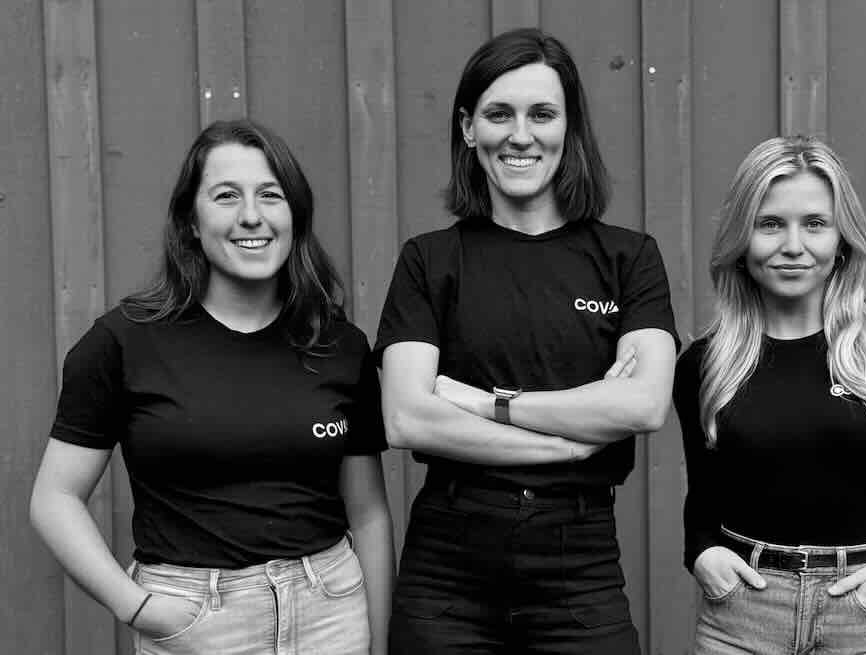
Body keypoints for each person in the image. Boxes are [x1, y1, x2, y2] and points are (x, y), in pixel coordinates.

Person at [30, 119, 394, 655]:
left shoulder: (338, 344)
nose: (252, 216)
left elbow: (368, 515)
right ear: (191, 223)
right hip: (198, 622)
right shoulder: (124, 342)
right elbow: (54, 498)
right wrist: (137, 606)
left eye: (271, 195)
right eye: (227, 196)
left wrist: (380, 643)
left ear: (294, 215)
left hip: (331, 614)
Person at [375, 28, 678, 655]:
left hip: (580, 561)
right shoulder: (430, 262)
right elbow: (407, 417)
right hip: (446, 569)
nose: (520, 135)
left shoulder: (628, 259)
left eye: (542, 113)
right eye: (497, 114)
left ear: (569, 128)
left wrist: (483, 404)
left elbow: (643, 406)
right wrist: (570, 443)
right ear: (467, 128)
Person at [674, 135, 866, 653]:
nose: (794, 245)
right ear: (741, 239)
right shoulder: (706, 362)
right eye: (770, 224)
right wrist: (700, 552)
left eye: (815, 223)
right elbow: (705, 493)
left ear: (843, 238)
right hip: (742, 618)